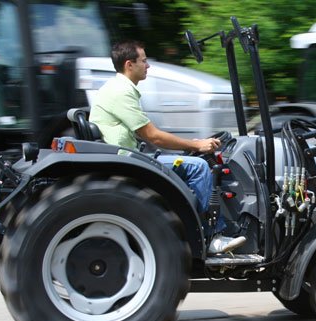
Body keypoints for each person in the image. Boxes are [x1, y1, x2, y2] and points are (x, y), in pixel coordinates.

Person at [89, 40, 245, 255]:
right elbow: (153, 136)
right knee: (198, 167)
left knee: (186, 158)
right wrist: (197, 145)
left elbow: (150, 134)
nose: (148, 65)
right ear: (129, 64)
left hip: (129, 155)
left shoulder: (117, 89)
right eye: (144, 61)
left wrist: (193, 144)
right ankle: (212, 237)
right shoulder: (120, 92)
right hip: (128, 159)